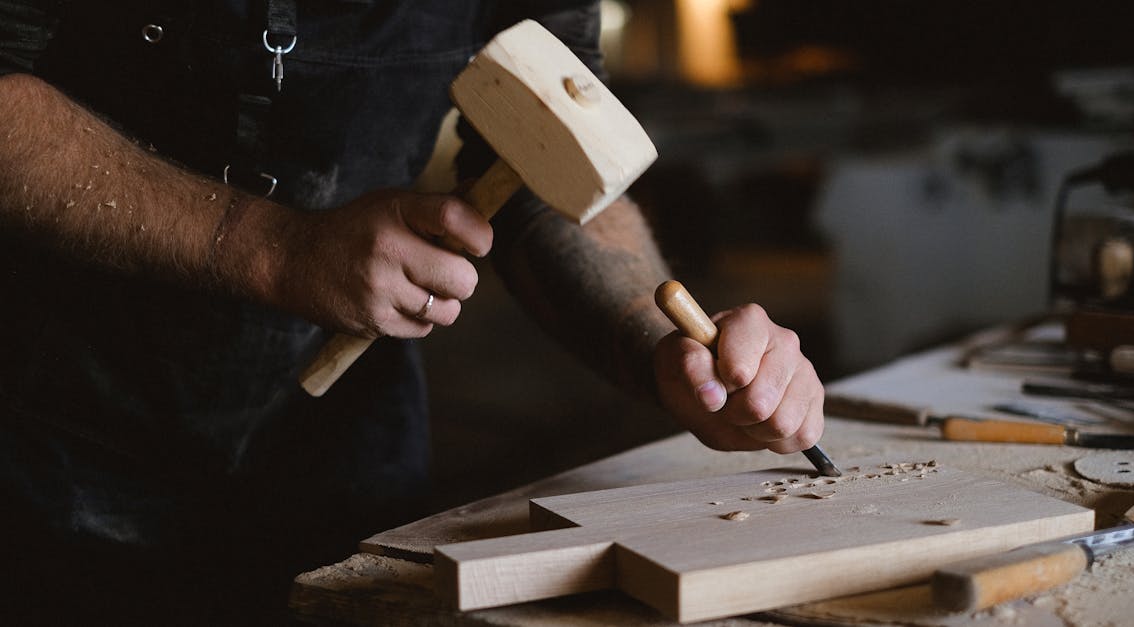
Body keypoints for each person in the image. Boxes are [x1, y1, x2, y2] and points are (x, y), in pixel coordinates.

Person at [0, 1, 825, 623]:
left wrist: (661, 350)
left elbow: (547, 152)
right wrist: (267, 246)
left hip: (346, 451)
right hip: (49, 428)